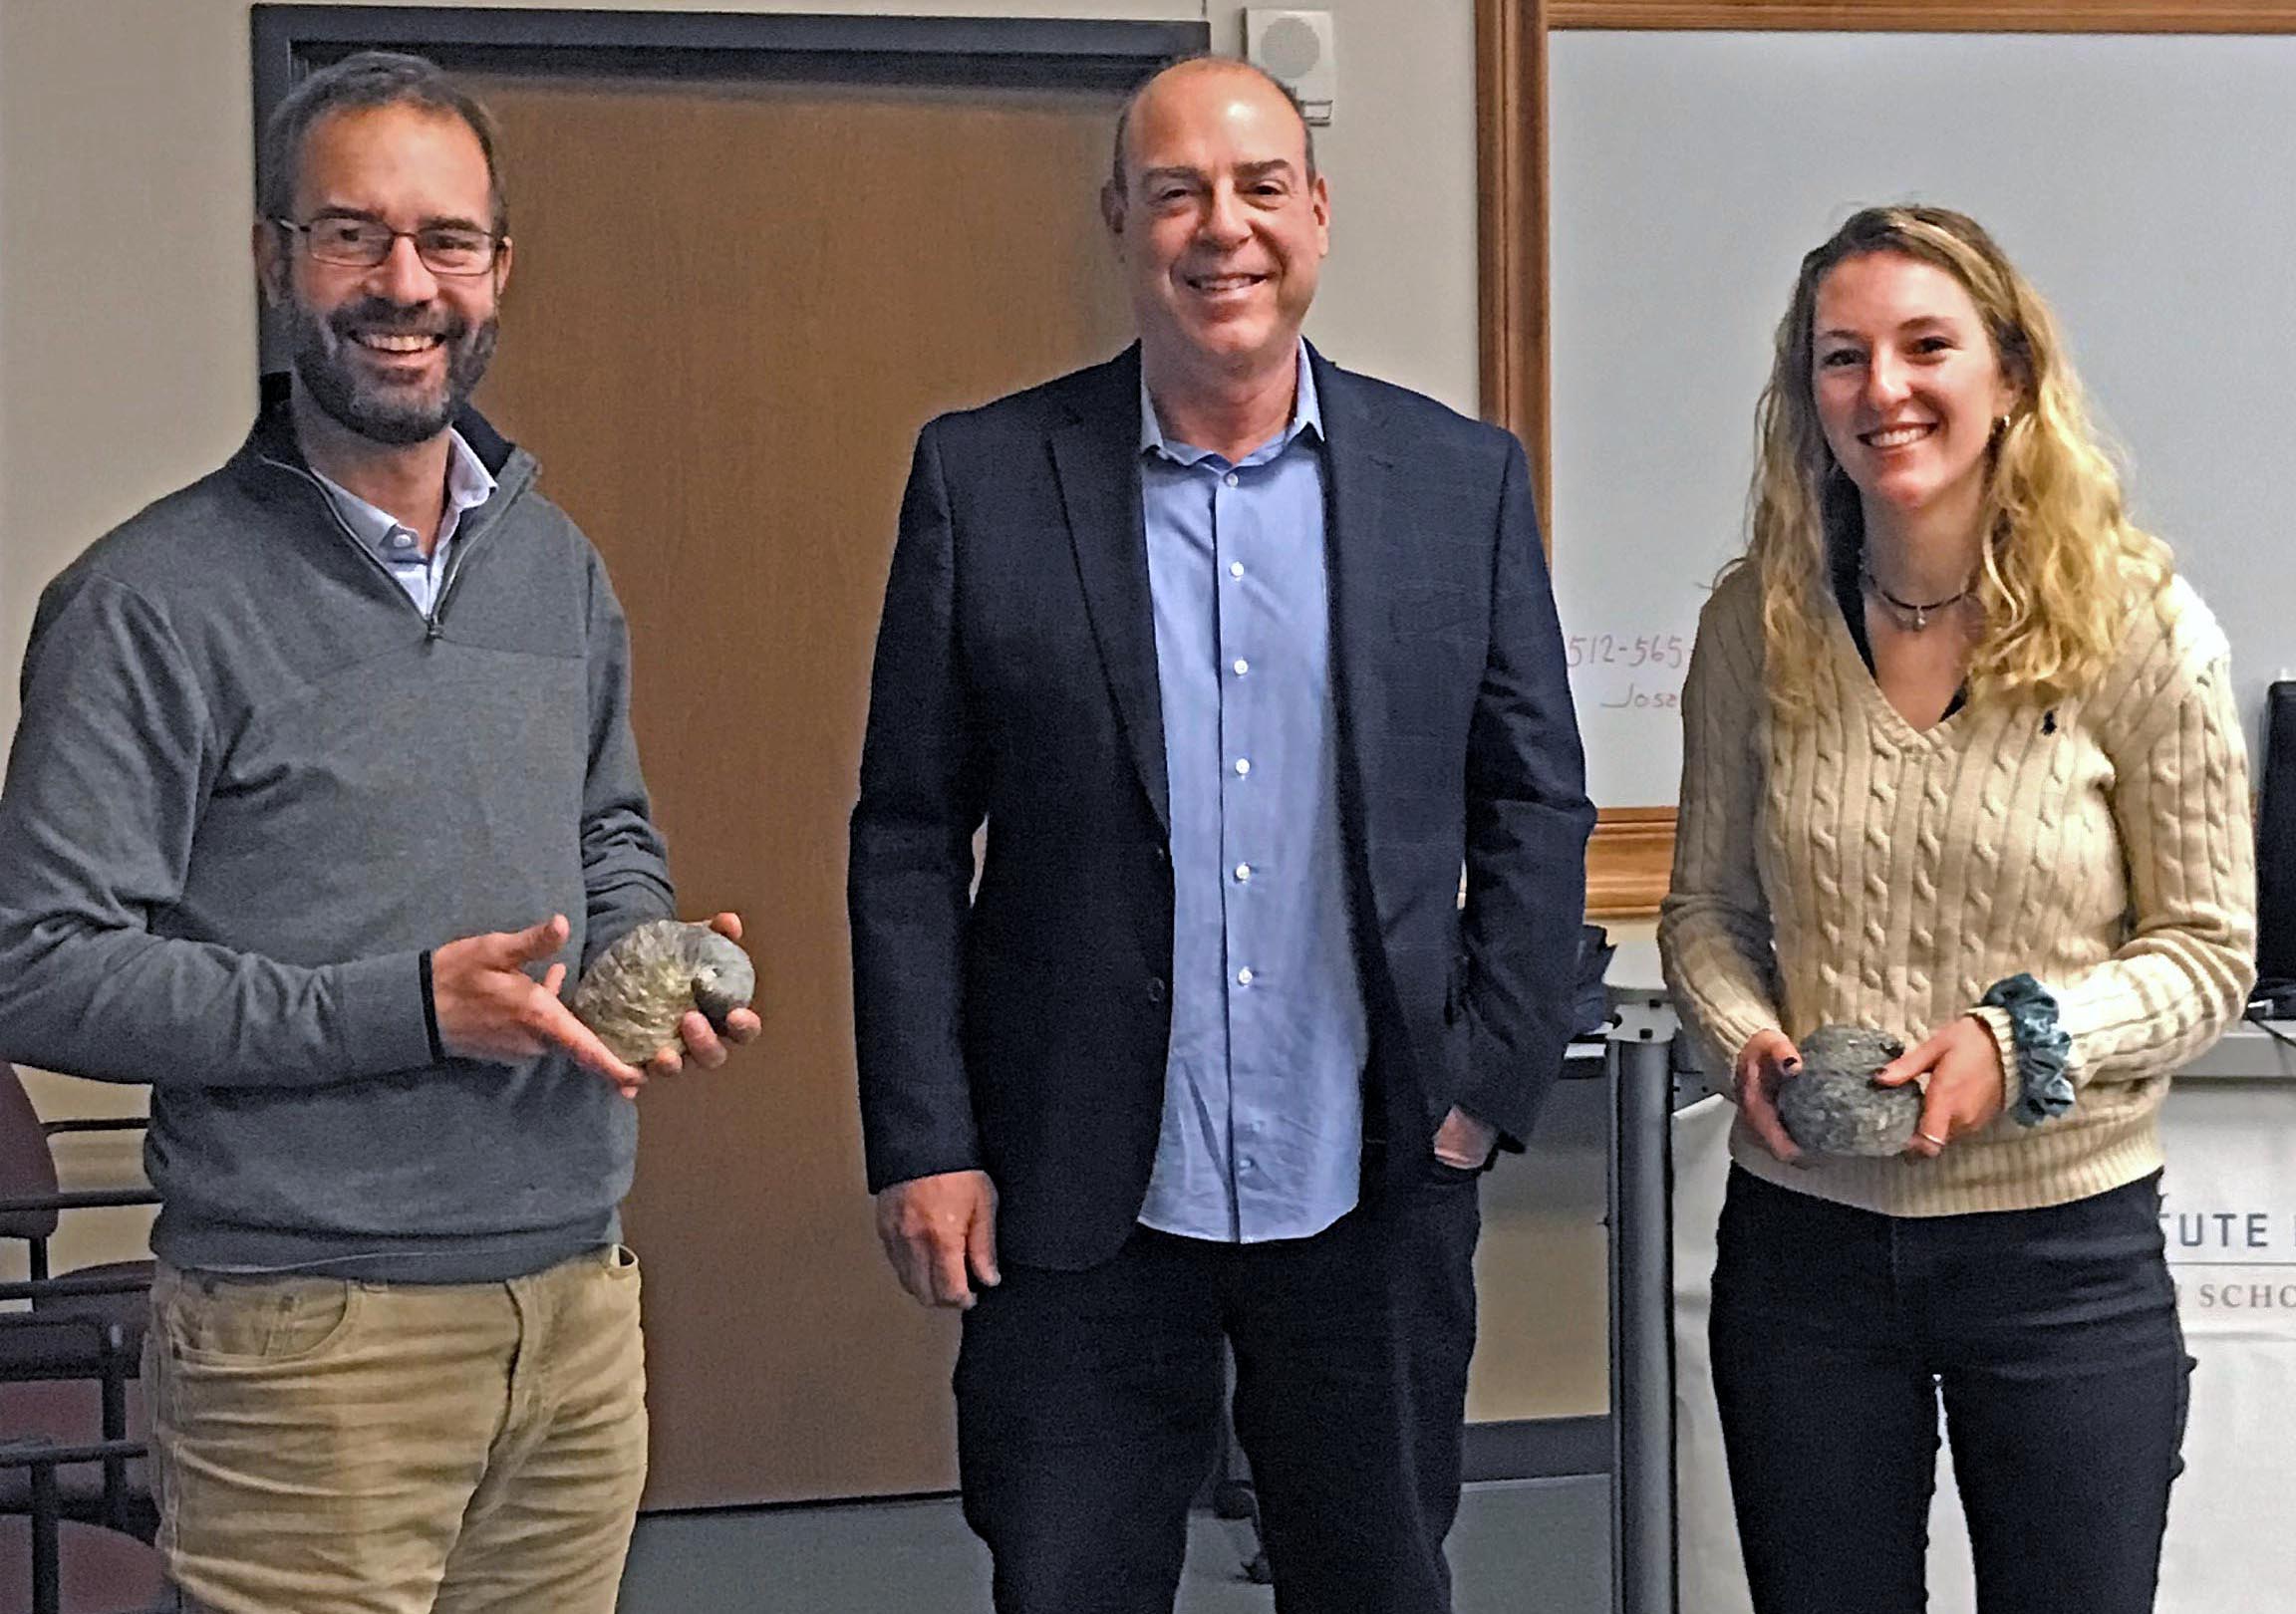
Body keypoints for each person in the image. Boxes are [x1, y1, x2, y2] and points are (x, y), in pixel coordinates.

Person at [0, 51, 757, 1614]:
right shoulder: (148, 603)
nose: (403, 283)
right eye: (353, 235)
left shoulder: (556, 569)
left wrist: (645, 949)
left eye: (446, 241)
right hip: (305, 1341)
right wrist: (408, 1008)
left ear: (496, 270)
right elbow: (41, 968)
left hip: (573, 1309)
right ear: (276, 259)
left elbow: (610, 826)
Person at [848, 53, 1592, 1614]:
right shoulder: (984, 478)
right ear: (1122, 219)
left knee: (1381, 1579)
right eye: (1177, 190)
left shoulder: (1458, 482)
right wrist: (928, 1140)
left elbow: (1534, 799)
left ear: (1316, 215)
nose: (1221, 229)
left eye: (1260, 187)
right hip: (1072, 1195)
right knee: (1068, 1583)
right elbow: (911, 837)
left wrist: (1483, 1084)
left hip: (1374, 1172)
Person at [1659, 204, 2256, 1614]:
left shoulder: (2137, 621)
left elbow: (2211, 948)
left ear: (2011, 378)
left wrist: (2019, 1041)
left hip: (2060, 1256)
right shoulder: (1758, 627)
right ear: (1808, 398)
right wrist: (1744, 1036)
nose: (1887, 389)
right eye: (1842, 357)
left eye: (1928, 345)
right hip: (1804, 1254)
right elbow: (1703, 914)